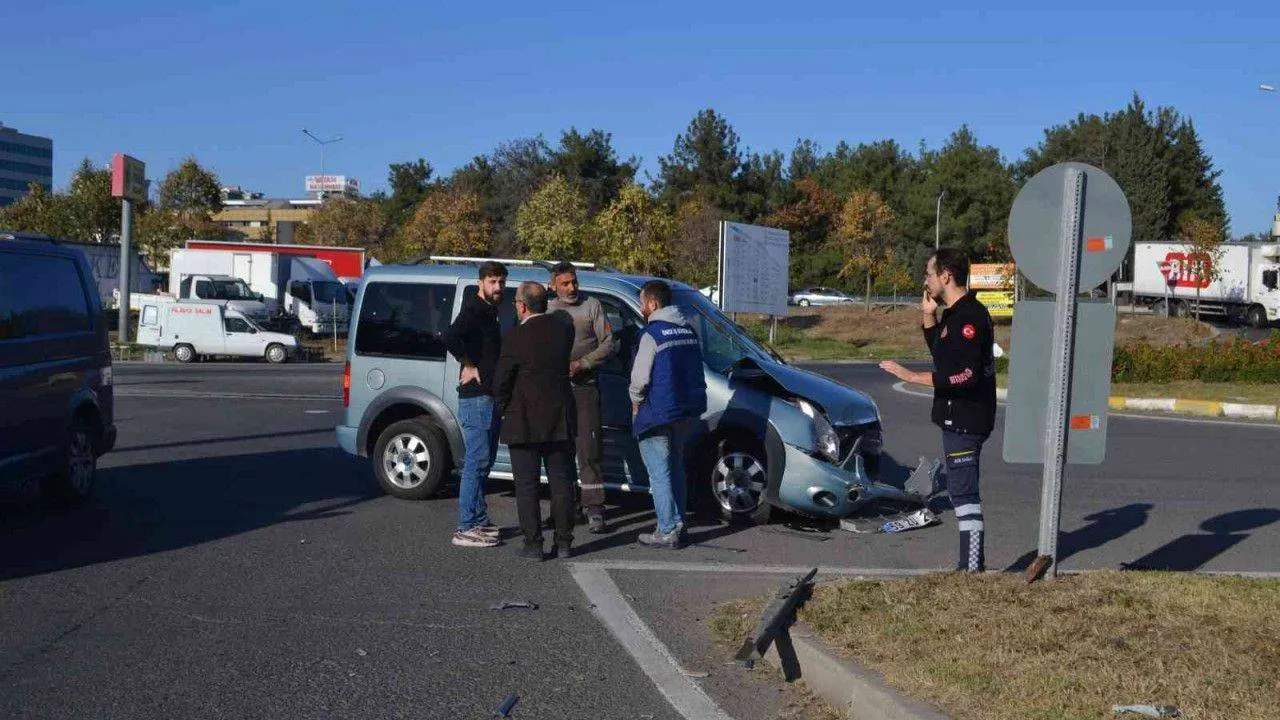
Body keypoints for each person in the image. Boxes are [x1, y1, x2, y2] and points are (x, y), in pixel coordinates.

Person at [879, 248, 997, 572]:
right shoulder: (955, 314)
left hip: (967, 417)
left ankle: (971, 568)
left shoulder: (970, 317)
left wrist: (911, 376)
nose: (925, 281)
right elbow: (943, 354)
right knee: (961, 491)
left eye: (929, 274)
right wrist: (928, 316)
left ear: (946, 275)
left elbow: (965, 375)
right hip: (957, 416)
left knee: (964, 493)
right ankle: (970, 565)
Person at [494, 281, 578, 561]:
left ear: (521, 306)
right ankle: (564, 542)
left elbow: (502, 380)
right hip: (559, 417)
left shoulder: (515, 336)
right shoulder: (563, 330)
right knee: (562, 482)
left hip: (524, 418)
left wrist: (501, 406)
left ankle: (534, 544)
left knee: (527, 485)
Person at [629, 280, 708, 549]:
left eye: (642, 303)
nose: (642, 308)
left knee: (659, 473)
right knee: (676, 469)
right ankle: (679, 524)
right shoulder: (688, 330)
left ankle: (666, 529)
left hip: (657, 412)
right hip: (684, 411)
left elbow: (640, 379)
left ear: (653, 304)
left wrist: (635, 402)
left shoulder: (652, 333)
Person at [547, 261, 617, 534]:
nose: (571, 287)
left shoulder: (592, 306)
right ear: (553, 285)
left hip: (585, 387)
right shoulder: (547, 308)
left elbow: (608, 343)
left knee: (589, 449)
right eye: (565, 283)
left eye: (574, 281)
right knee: (559, 450)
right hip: (555, 390)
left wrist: (583, 363)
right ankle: (565, 507)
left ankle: (595, 508)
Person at [442, 260, 508, 549]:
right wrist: (468, 363)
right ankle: (466, 527)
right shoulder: (474, 310)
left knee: (485, 463)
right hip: (476, 398)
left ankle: (479, 519)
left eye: (501, 282)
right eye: (492, 281)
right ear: (481, 282)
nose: (497, 287)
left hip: (489, 397)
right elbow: (450, 336)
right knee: (476, 463)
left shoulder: (491, 312)